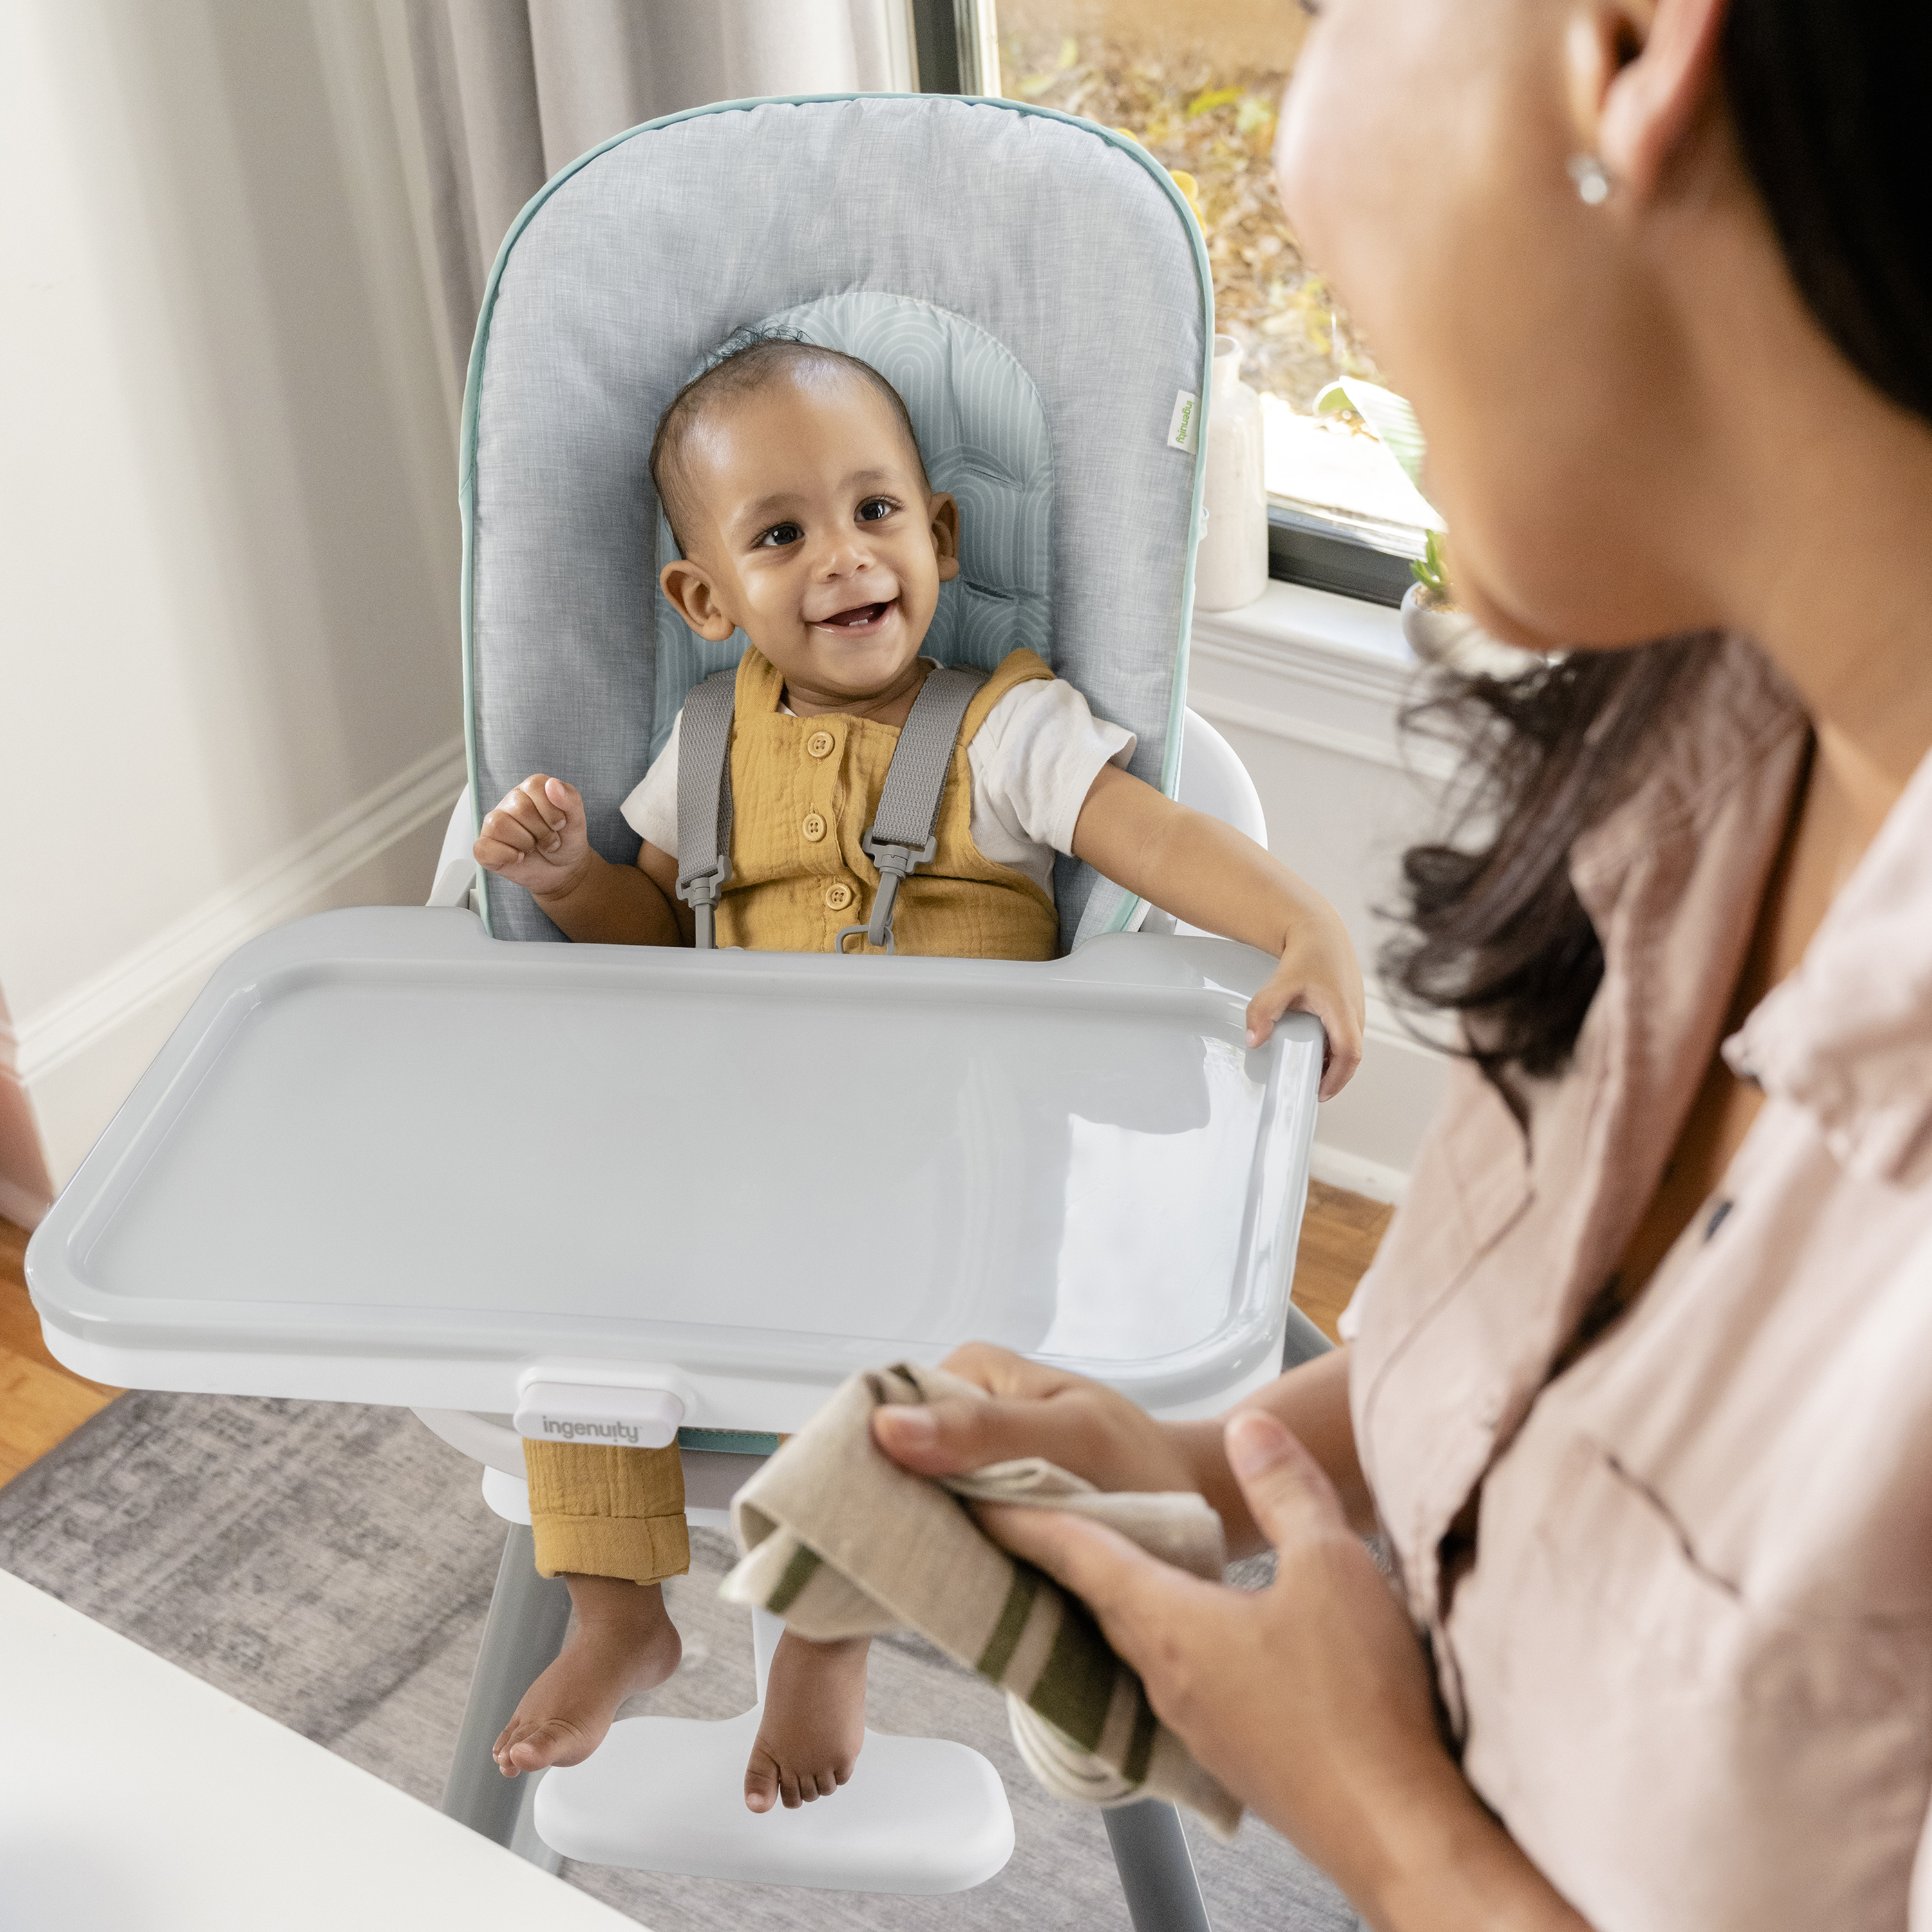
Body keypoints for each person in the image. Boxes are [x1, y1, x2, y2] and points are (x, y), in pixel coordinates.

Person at [871, 0, 1932, 1924]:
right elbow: (1543, 1350)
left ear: (1635, 49)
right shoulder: (1697, 738)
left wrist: (1379, 1822)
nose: (1281, 139)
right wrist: (1204, 1465)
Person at [470, 337, 1367, 1814]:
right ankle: (618, 1613)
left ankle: (825, 1633)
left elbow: (1156, 840)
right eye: (780, 535)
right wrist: (572, 878)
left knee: (883, 1352)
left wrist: (1300, 921)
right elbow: (655, 945)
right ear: (706, 600)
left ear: (941, 535)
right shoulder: (702, 746)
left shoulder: (1007, 730)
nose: (843, 556)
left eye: (875, 511)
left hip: (954, 1171)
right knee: (576, 1293)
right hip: (738, 1162)